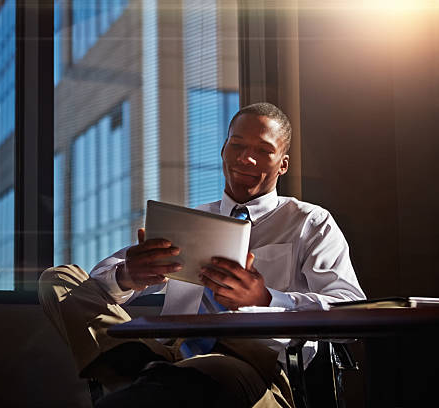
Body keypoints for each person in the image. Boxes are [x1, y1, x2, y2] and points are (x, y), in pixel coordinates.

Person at [39, 102, 365, 407]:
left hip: (254, 366)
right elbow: (97, 284)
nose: (246, 159)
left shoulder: (309, 221)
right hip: (169, 350)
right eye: (237, 145)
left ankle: (148, 378)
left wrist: (267, 300)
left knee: (198, 377)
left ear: (283, 163)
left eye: (264, 151)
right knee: (58, 279)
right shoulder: (187, 220)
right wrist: (128, 275)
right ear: (224, 150)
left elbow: (350, 311)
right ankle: (153, 372)